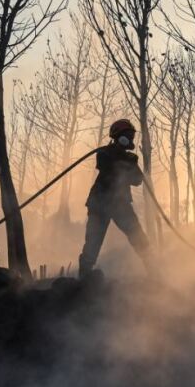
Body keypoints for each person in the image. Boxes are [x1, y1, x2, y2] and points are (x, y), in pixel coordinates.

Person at [78, 118, 152, 278]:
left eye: (131, 137)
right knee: (92, 244)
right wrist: (125, 163)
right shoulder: (104, 152)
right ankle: (83, 280)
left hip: (120, 204)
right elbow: (107, 168)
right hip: (100, 203)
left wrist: (131, 164)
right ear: (118, 136)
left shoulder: (130, 159)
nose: (129, 140)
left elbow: (138, 180)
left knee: (139, 237)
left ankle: (155, 273)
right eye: (127, 136)